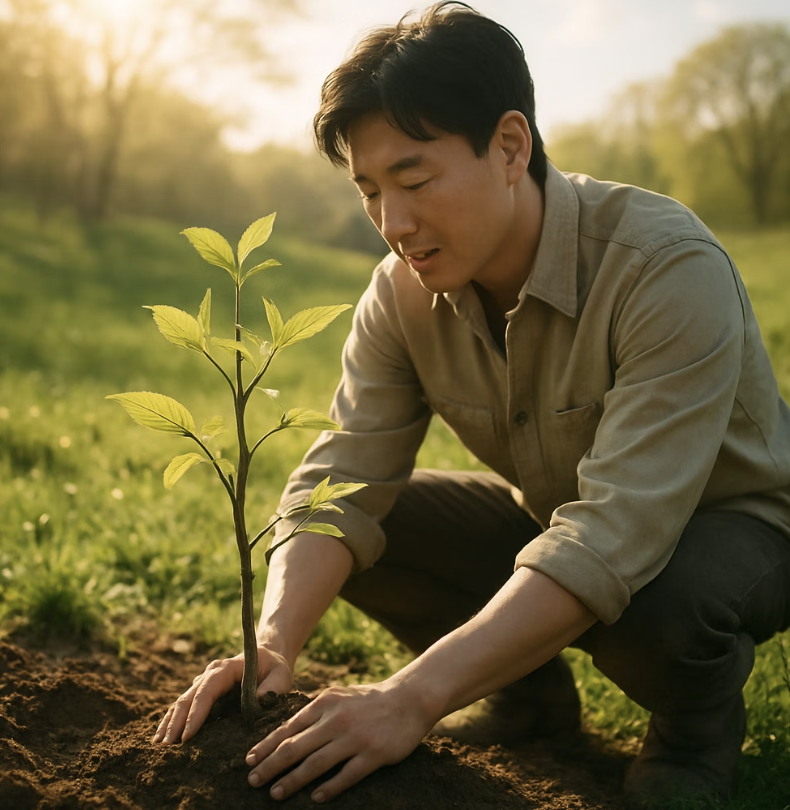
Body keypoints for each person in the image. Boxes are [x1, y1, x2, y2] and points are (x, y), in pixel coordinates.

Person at [153, 2, 790, 804]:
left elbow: (618, 533)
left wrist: (410, 699)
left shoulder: (663, 266)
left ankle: (693, 734)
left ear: (511, 147)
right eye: (369, 191)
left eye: (415, 180)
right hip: (559, 517)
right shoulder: (400, 293)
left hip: (736, 529)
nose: (394, 223)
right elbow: (342, 475)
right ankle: (529, 702)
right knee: (359, 524)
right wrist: (272, 644)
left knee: (658, 602)